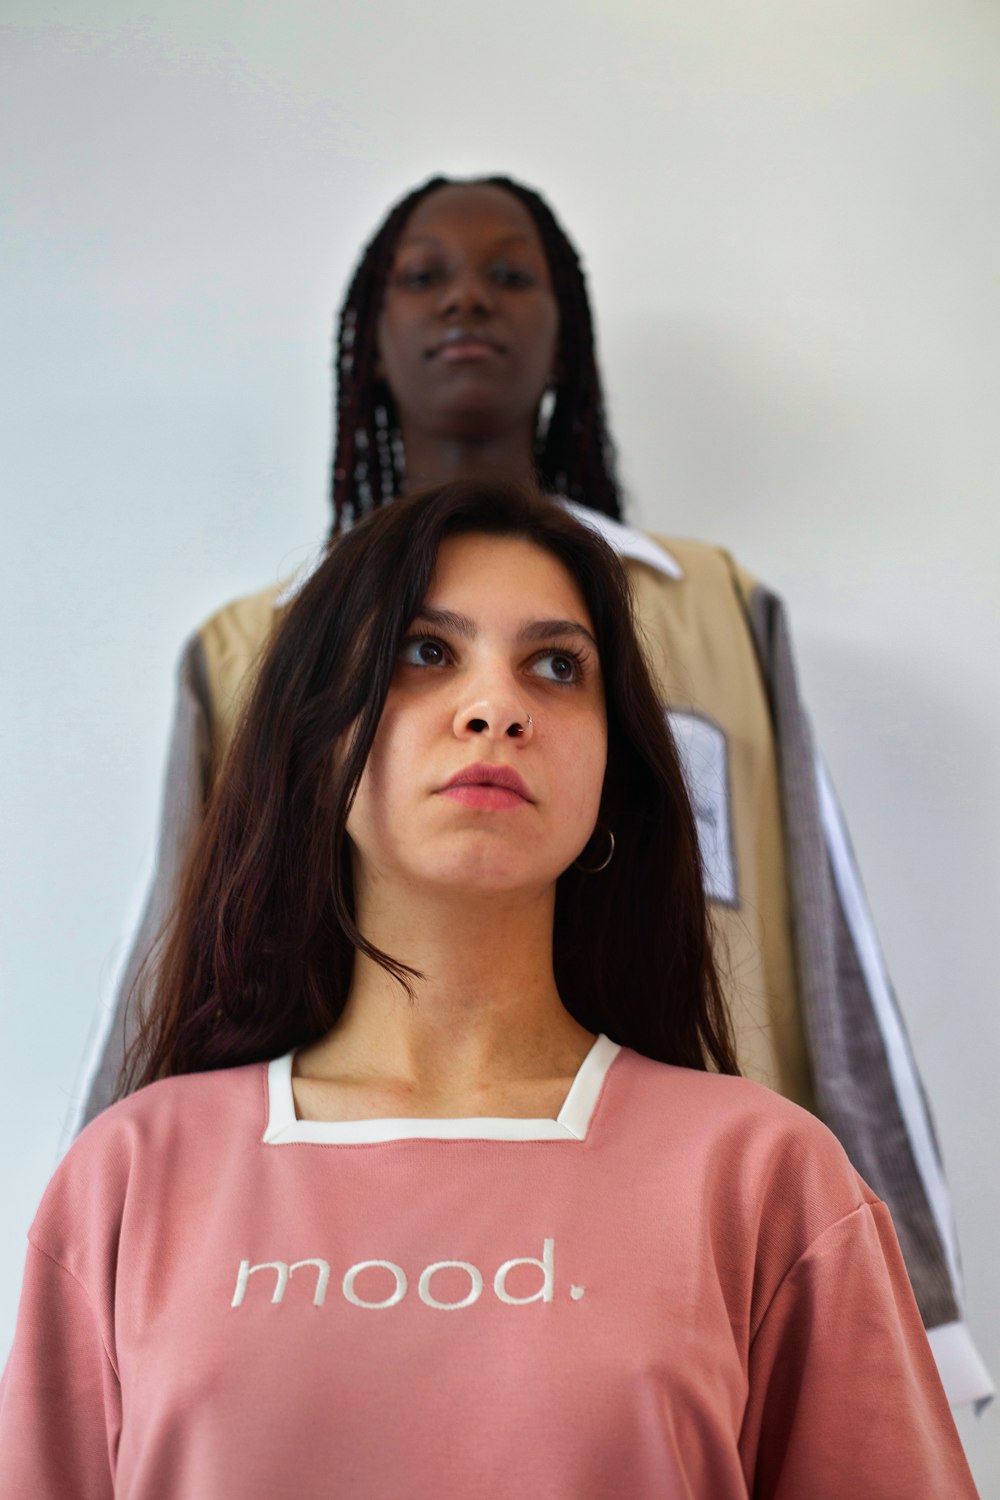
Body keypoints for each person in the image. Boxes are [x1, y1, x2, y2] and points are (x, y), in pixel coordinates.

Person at [71, 174, 989, 1403]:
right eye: (424, 274)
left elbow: (831, 952)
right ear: (372, 338)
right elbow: (183, 947)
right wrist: (111, 1247)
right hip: (303, 1214)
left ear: (566, 334)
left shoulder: (710, 611)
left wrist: (911, 1300)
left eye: (512, 276)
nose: (467, 297)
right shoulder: (250, 649)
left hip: (683, 1229)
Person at [0, 484, 979, 1498]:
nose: (496, 706)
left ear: (614, 766)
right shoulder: (131, 1176)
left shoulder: (764, 1177)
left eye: (557, 667)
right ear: (316, 737)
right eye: (426, 651)